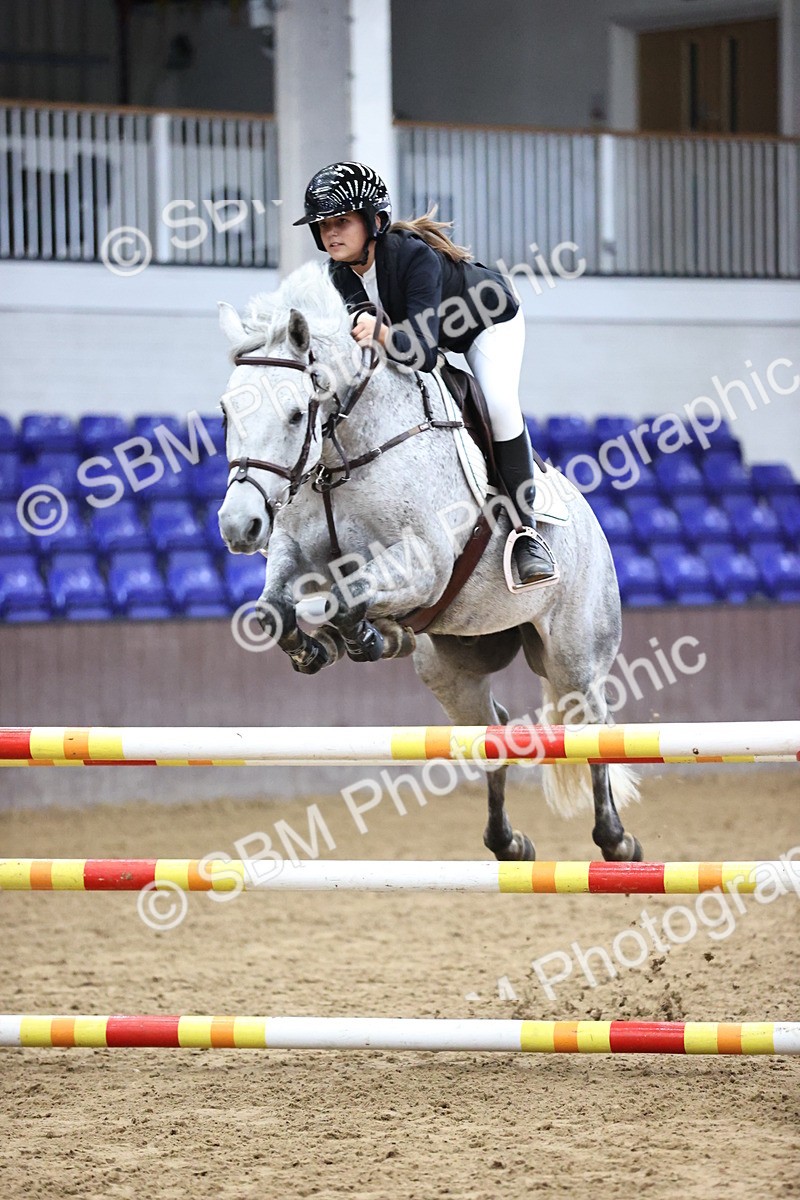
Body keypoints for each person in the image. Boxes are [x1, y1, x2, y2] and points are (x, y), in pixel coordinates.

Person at [293, 161, 556, 584]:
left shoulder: (412, 255)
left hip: (487, 321)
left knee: (500, 406)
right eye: (323, 225)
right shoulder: (339, 273)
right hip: (427, 335)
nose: (330, 233)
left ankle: (527, 534)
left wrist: (381, 332)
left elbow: (423, 354)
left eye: (342, 221)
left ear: (375, 222)